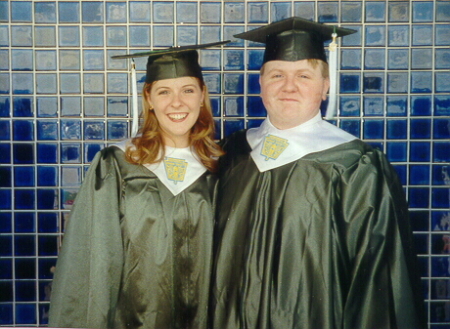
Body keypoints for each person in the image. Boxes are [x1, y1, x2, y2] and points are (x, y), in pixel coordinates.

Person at [210, 17, 426, 329]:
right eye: (277, 75)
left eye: (304, 76)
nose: (289, 86)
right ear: (261, 83)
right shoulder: (232, 153)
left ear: (325, 87)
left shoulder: (356, 165)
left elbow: (380, 280)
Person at [48, 42, 227, 329]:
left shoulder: (222, 167)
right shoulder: (117, 165)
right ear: (149, 99)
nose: (177, 103)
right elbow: (92, 262)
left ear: (202, 95)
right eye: (164, 92)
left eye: (188, 90)